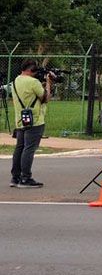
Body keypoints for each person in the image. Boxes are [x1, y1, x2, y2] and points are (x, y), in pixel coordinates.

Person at [10, 60, 51, 188]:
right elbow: (45, 98)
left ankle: (15, 177)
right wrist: (48, 84)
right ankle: (25, 178)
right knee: (29, 149)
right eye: (35, 70)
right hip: (35, 120)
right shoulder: (33, 82)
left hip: (20, 119)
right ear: (31, 70)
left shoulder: (15, 81)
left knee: (20, 148)